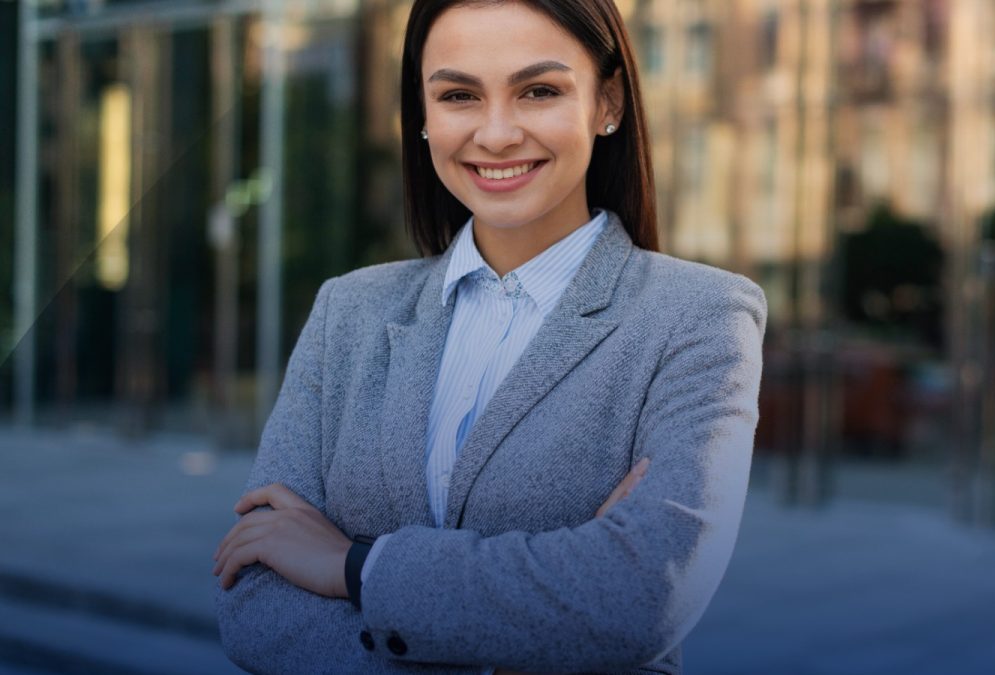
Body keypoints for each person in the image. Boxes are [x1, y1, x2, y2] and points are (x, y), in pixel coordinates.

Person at [212, 0, 766, 673]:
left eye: (539, 90)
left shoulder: (699, 316)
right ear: (422, 114)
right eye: (458, 95)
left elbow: (640, 597)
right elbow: (256, 601)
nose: (497, 133)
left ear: (607, 101)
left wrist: (353, 565)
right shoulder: (347, 312)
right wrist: (533, 611)